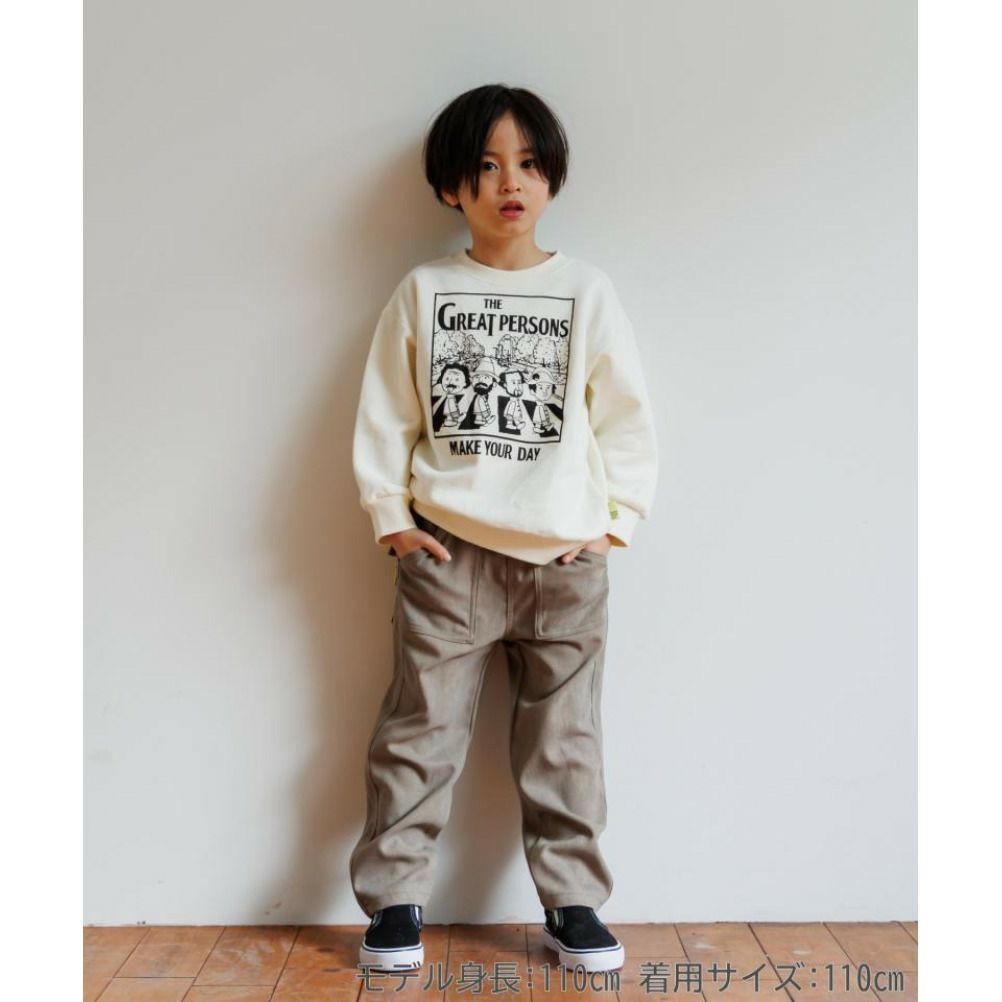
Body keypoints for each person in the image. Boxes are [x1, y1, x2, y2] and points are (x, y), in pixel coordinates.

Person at [349, 83, 658, 974]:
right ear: (452, 187)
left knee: (566, 742)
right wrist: (391, 517)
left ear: (552, 176)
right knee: (420, 730)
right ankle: (395, 902)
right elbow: (387, 413)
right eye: (484, 166)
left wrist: (615, 524)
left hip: (564, 559)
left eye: (526, 163)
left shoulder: (585, 290)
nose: (508, 182)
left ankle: (573, 902)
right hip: (448, 555)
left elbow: (625, 416)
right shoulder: (425, 290)